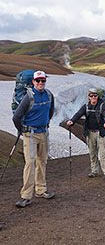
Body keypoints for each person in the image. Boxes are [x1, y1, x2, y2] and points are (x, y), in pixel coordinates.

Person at [12, 70, 55, 208]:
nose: (41, 83)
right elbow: (16, 117)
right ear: (33, 82)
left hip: (43, 132)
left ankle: (41, 190)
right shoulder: (29, 97)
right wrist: (22, 130)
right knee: (30, 163)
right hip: (30, 134)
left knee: (42, 161)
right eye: (38, 81)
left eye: (43, 80)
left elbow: (50, 111)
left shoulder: (49, 95)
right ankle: (25, 196)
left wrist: (46, 123)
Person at [66, 88, 105, 181]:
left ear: (97, 97)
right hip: (90, 132)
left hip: (100, 133)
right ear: (88, 97)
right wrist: (72, 121)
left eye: (95, 96)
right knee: (92, 152)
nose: (93, 97)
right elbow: (78, 114)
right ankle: (94, 170)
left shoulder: (102, 105)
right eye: (91, 96)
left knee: (102, 154)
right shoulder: (86, 106)